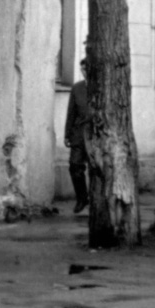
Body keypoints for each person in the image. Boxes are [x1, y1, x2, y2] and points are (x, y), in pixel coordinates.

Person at [64, 61, 91, 214]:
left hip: (96, 135)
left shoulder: (102, 87)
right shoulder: (77, 88)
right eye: (82, 68)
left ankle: (98, 201)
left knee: (96, 169)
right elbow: (71, 113)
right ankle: (82, 198)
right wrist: (67, 134)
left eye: (87, 68)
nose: (84, 71)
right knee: (74, 166)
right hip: (78, 134)